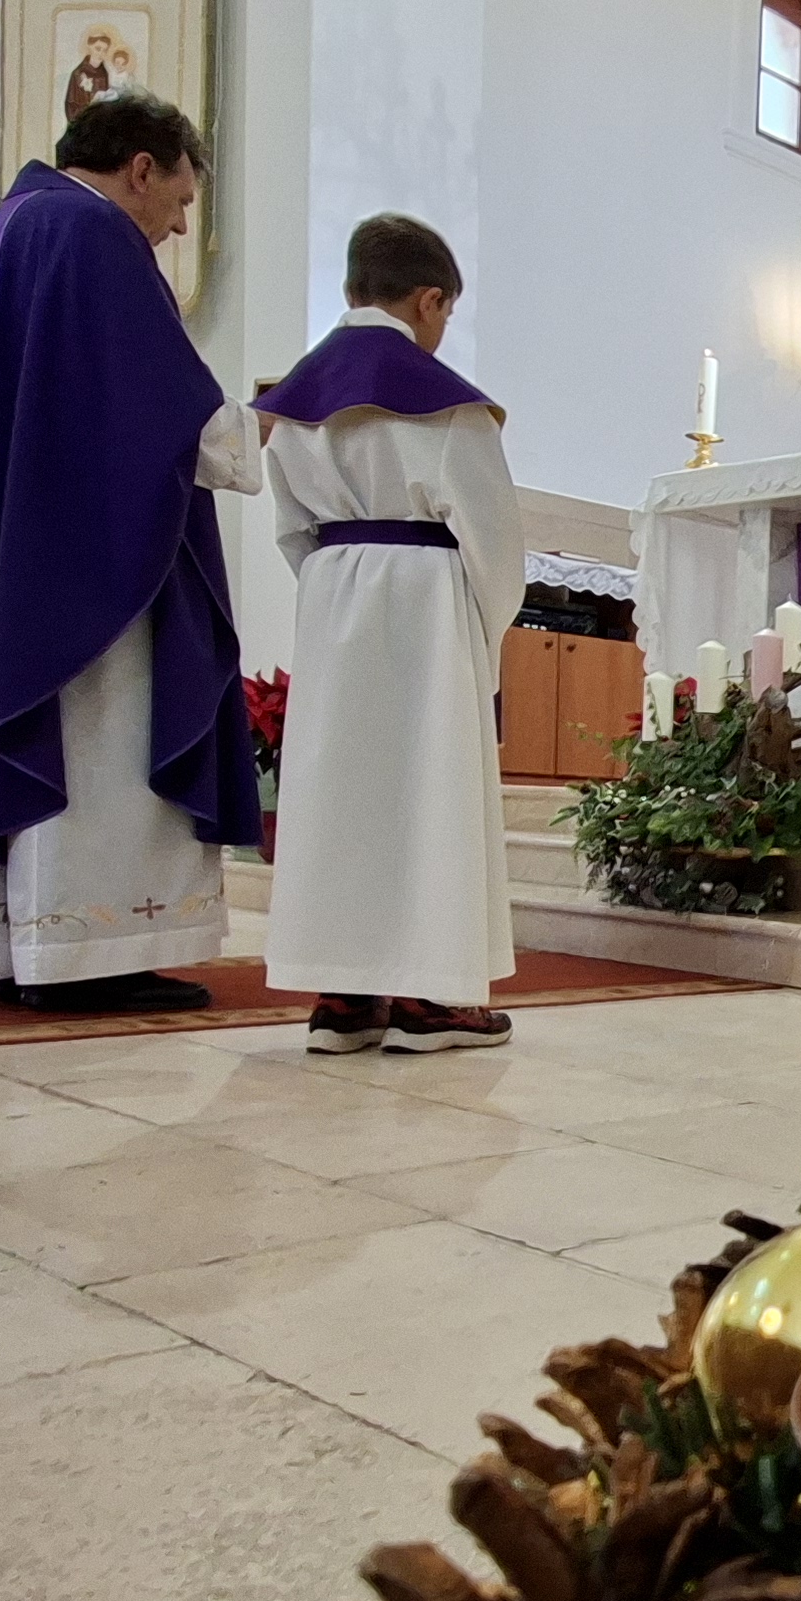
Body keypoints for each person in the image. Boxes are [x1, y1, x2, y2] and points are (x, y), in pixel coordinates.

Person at [0, 93, 264, 1013]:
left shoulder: (7, 230)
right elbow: (158, 403)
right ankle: (91, 949)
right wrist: (260, 425)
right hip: (86, 565)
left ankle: (19, 944)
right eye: (180, 201)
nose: (177, 226)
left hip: (25, 544)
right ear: (141, 168)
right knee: (105, 738)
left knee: (49, 734)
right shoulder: (91, 231)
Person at [253, 215, 524, 1053]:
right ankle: (432, 998)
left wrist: (337, 595)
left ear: (351, 290)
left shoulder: (294, 405)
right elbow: (494, 545)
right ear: (429, 299)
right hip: (429, 602)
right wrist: (484, 642)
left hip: (334, 594)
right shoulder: (448, 408)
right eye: (446, 313)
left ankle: (344, 997)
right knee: (430, 791)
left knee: (343, 793)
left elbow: (291, 530)